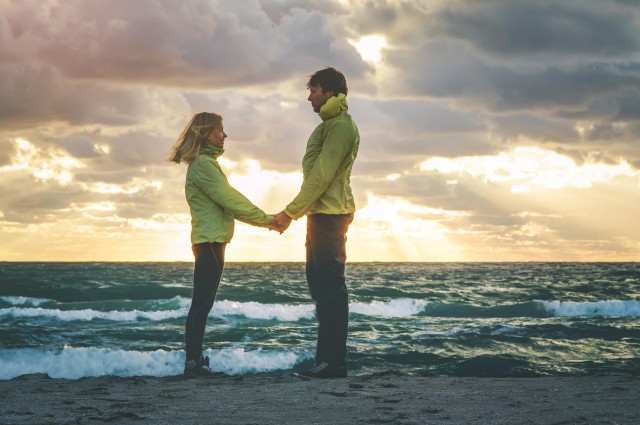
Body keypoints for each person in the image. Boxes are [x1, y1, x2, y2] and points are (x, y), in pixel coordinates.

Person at [168, 112, 281, 377]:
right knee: (202, 304)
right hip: (209, 242)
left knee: (202, 304)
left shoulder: (204, 163)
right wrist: (268, 220)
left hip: (210, 242)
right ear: (206, 133)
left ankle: (194, 361)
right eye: (220, 130)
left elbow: (227, 200)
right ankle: (193, 364)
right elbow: (230, 199)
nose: (224, 134)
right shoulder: (203, 165)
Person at [273, 67, 360, 378]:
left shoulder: (340, 127)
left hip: (331, 215)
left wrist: (289, 212)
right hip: (319, 215)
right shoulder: (328, 126)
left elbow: (321, 176)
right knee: (319, 286)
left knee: (331, 290)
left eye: (314, 90)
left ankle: (332, 363)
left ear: (330, 93)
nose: (310, 96)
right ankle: (328, 361)